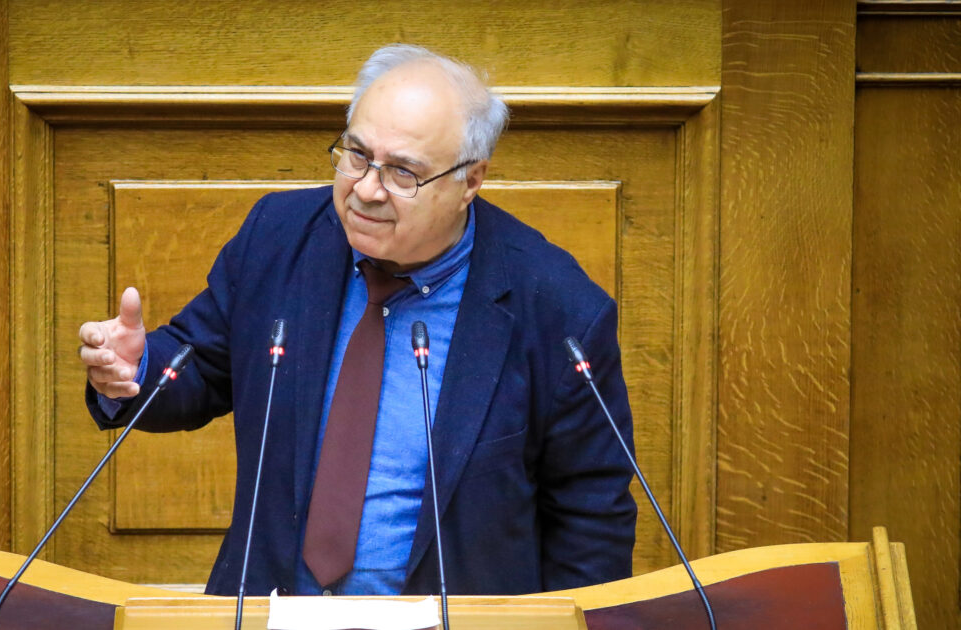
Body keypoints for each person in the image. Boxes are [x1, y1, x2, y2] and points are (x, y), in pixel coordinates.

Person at [79, 44, 636, 597]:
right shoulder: (278, 237)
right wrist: (136, 369)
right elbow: (198, 368)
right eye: (357, 156)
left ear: (469, 181)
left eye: (403, 173)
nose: (367, 190)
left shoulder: (557, 308)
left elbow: (591, 517)